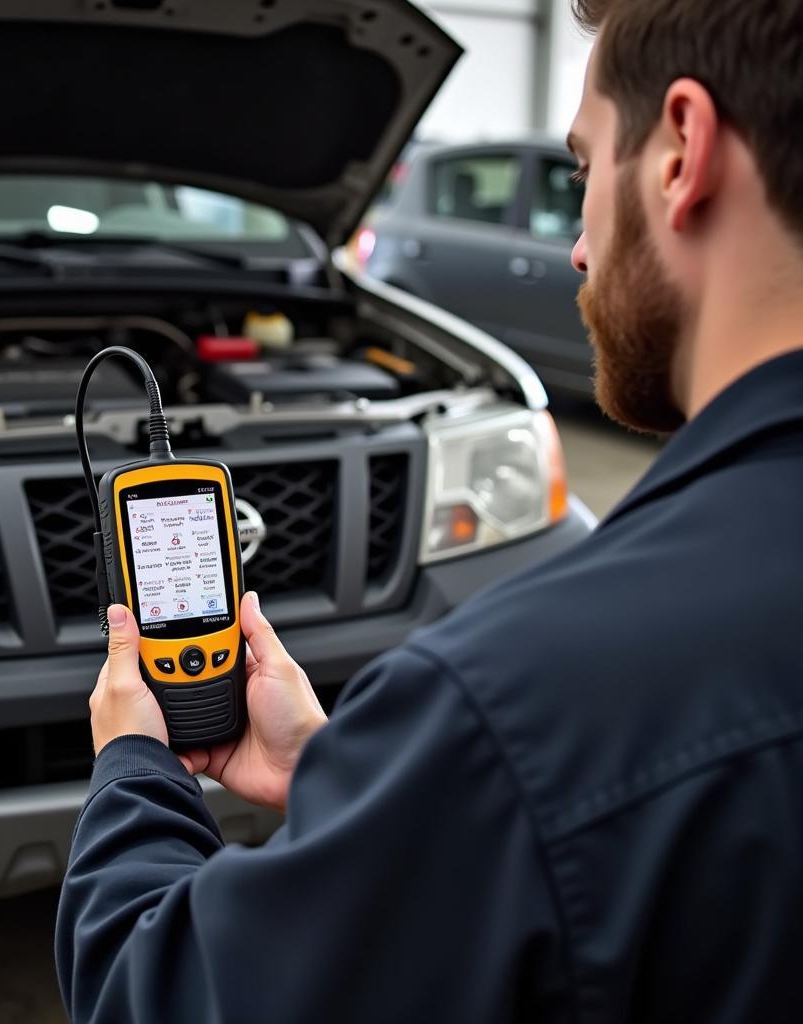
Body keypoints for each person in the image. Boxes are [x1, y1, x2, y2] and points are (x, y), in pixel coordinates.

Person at [55, 1, 803, 1019]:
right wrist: (363, 785)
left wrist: (134, 770)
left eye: (581, 172)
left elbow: (158, 991)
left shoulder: (520, 707)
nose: (577, 251)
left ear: (680, 148)